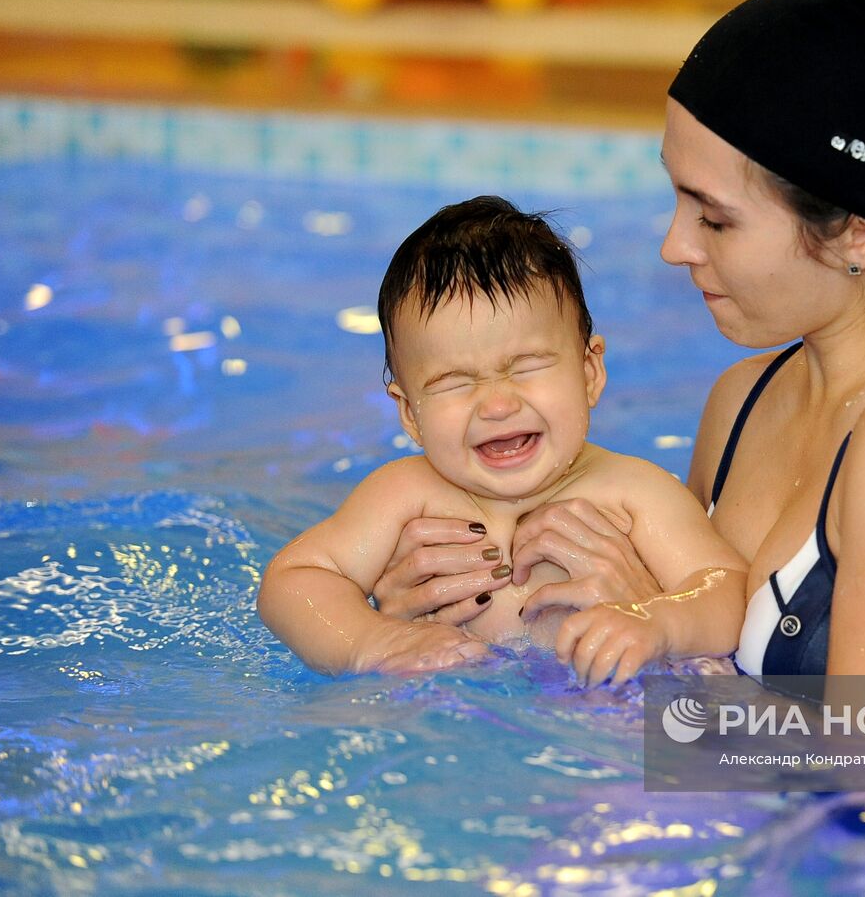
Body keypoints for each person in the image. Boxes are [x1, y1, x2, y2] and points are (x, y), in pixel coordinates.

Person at [380, 0, 865, 686]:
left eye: (714, 218)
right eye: (677, 198)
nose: (675, 245)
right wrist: (437, 602)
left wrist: (648, 614)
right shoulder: (743, 401)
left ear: (861, 235)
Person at [258, 196, 747, 676]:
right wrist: (374, 641)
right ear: (410, 414)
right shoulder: (402, 495)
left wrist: (659, 622)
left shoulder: (636, 493)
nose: (497, 404)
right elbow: (294, 581)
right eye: (454, 382)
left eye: (528, 366)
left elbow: (724, 586)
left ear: (589, 372)